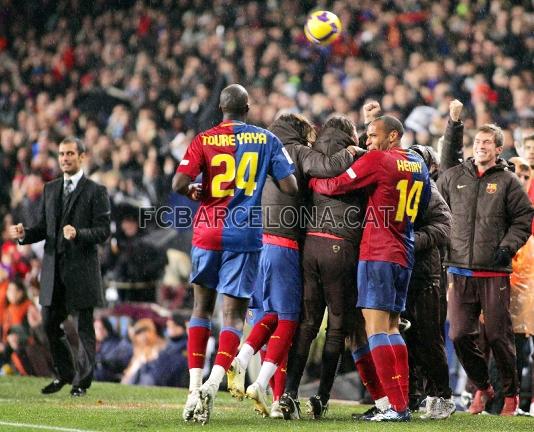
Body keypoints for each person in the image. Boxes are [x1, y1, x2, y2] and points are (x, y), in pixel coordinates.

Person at [172, 84, 297, 424]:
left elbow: (178, 183)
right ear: (248, 107)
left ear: (221, 109)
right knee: (233, 317)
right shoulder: (266, 140)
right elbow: (290, 186)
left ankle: (193, 387)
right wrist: (259, 180)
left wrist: (197, 190)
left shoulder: (204, 139)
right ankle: (213, 386)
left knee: (200, 308)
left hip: (207, 231)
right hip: (244, 234)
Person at [226, 112, 359, 419]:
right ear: (299, 132)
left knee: (270, 315)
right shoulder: (295, 150)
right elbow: (326, 167)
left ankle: (248, 363)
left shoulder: (258, 149)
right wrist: (350, 152)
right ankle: (262, 384)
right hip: (284, 242)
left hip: (253, 244)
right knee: (289, 317)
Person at [310, 115, 432, 422]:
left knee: (375, 329)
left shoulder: (379, 161)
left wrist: (311, 180)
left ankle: (397, 407)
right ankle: (400, 403)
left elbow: (336, 184)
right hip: (403, 251)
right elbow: (425, 203)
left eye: (373, 135)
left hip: (378, 251)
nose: (367, 141)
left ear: (393, 136)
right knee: (391, 327)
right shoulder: (419, 164)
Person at [437, 119, 534, 415]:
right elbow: (437, 206)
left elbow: (524, 220)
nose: (480, 147)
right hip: (459, 270)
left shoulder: (508, 182)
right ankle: (482, 386)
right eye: (477, 142)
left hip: (494, 271)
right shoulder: (455, 177)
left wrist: (506, 247)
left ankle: (510, 395)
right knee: (459, 335)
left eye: (487, 143)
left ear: (499, 149)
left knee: (497, 335)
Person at [274, 114, 365, 420]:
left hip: (310, 245)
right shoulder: (357, 158)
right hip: (340, 245)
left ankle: (288, 392)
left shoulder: (308, 153)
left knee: (307, 324)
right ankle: (322, 396)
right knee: (337, 326)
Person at [8, 136, 111, 397]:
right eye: (61, 154)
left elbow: (103, 232)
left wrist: (79, 233)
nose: (64, 158)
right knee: (49, 324)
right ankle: (65, 374)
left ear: (82, 157)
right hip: (53, 271)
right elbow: (44, 228)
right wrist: (24, 234)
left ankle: (82, 382)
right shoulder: (50, 189)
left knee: (84, 328)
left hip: (81, 271)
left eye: (70, 154)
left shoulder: (96, 191)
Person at [402, 144, 455, 419]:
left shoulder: (429, 190)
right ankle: (411, 397)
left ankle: (442, 395)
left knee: (429, 337)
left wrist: (409, 242)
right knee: (405, 337)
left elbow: (444, 225)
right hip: (402, 272)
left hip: (425, 272)